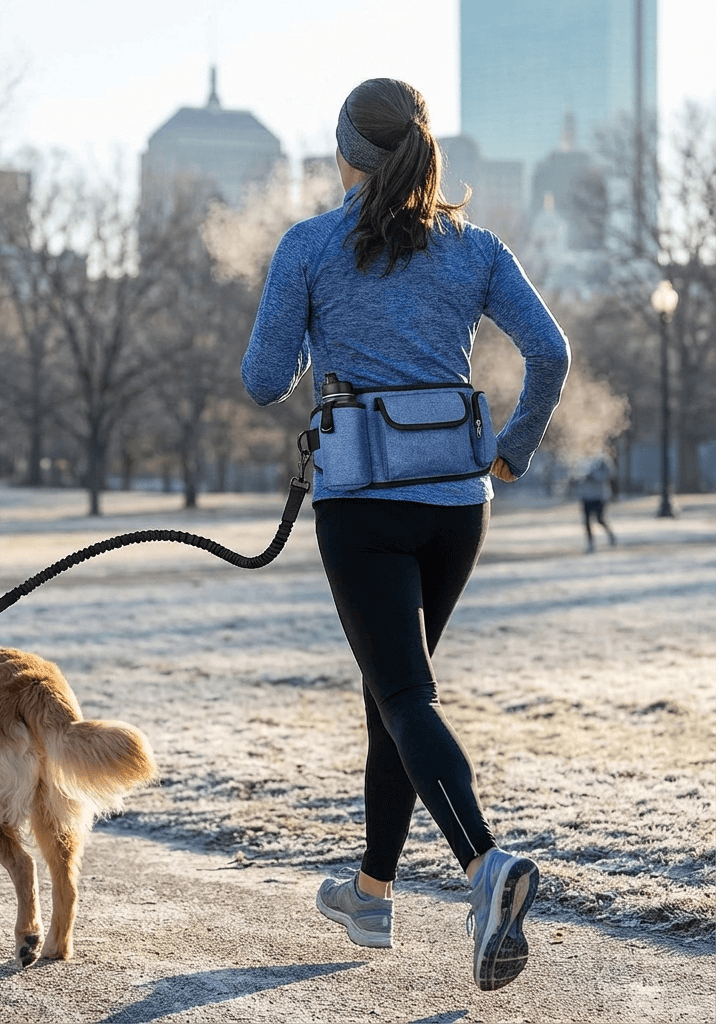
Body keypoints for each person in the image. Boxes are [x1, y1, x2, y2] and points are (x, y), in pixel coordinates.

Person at [241, 79, 569, 991]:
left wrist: (313, 328)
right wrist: (511, 454)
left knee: (401, 688)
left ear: (348, 154)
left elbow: (265, 380)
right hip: (458, 505)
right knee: (395, 689)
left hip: (363, 503)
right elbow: (551, 352)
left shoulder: (309, 245)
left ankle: (485, 866)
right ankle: (372, 893)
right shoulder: (474, 246)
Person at [576, 454, 616, 552]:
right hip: (586, 496)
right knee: (586, 522)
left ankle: (610, 534)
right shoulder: (582, 459)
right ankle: (590, 543)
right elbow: (575, 474)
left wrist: (594, 476)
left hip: (599, 496)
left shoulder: (602, 459)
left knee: (599, 519)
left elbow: (610, 473)